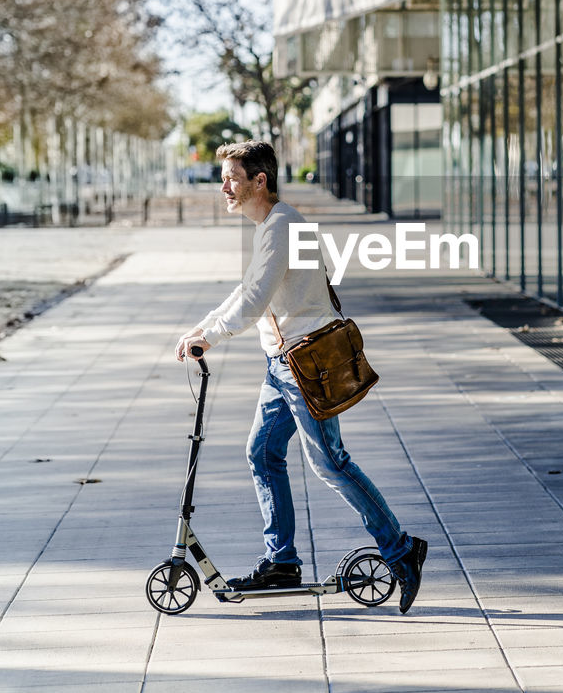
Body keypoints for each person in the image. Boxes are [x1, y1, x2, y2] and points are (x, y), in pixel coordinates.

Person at [174, 140, 427, 614]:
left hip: (304, 365)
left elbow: (252, 301)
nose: (223, 186)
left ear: (259, 181)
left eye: (231, 178)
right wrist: (202, 327)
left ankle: (399, 549)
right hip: (282, 364)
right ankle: (282, 561)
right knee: (263, 452)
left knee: (330, 462)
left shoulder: (282, 226)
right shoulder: (273, 225)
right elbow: (249, 289)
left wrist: (212, 338)